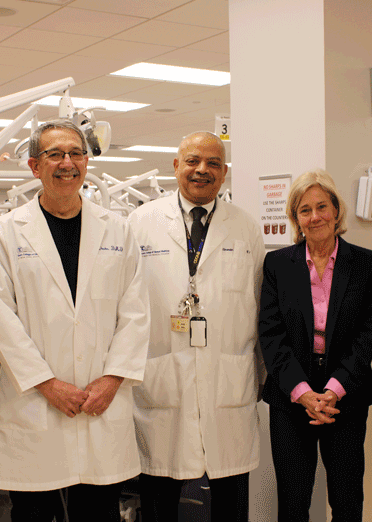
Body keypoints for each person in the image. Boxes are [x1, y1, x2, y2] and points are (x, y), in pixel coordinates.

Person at [0, 120, 149, 522]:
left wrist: (112, 380)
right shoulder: (6, 233)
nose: (67, 163)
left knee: (99, 511)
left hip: (100, 402)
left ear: (87, 162)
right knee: (34, 511)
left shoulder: (118, 230)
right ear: (35, 166)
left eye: (76, 153)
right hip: (37, 404)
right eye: (55, 154)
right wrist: (48, 384)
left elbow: (136, 311)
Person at [128, 131, 265, 522]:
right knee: (159, 491)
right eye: (192, 161)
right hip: (161, 378)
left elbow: (259, 308)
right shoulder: (140, 223)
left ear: (224, 174)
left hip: (228, 381)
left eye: (213, 164)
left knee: (231, 494)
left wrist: (257, 373)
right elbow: (127, 307)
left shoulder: (246, 228)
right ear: (176, 166)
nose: (201, 170)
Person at [258, 170, 372, 522]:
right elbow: (271, 334)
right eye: (304, 210)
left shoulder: (365, 263)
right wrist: (303, 392)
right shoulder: (278, 264)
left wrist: (333, 390)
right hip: (291, 396)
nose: (315, 217)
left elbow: (366, 333)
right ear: (296, 219)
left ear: (336, 210)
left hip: (346, 395)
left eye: (322, 206)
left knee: (346, 499)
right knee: (293, 501)